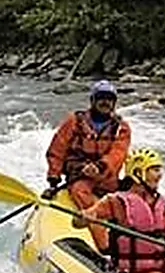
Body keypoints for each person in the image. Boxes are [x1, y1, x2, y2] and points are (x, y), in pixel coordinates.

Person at [45, 80, 131, 247]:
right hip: (79, 175)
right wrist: (53, 178)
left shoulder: (122, 128)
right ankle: (104, 244)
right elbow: (57, 150)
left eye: (109, 99)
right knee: (80, 191)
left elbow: (118, 153)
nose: (105, 102)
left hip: (106, 176)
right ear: (92, 101)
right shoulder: (74, 122)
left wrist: (100, 166)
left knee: (128, 196)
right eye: (101, 98)